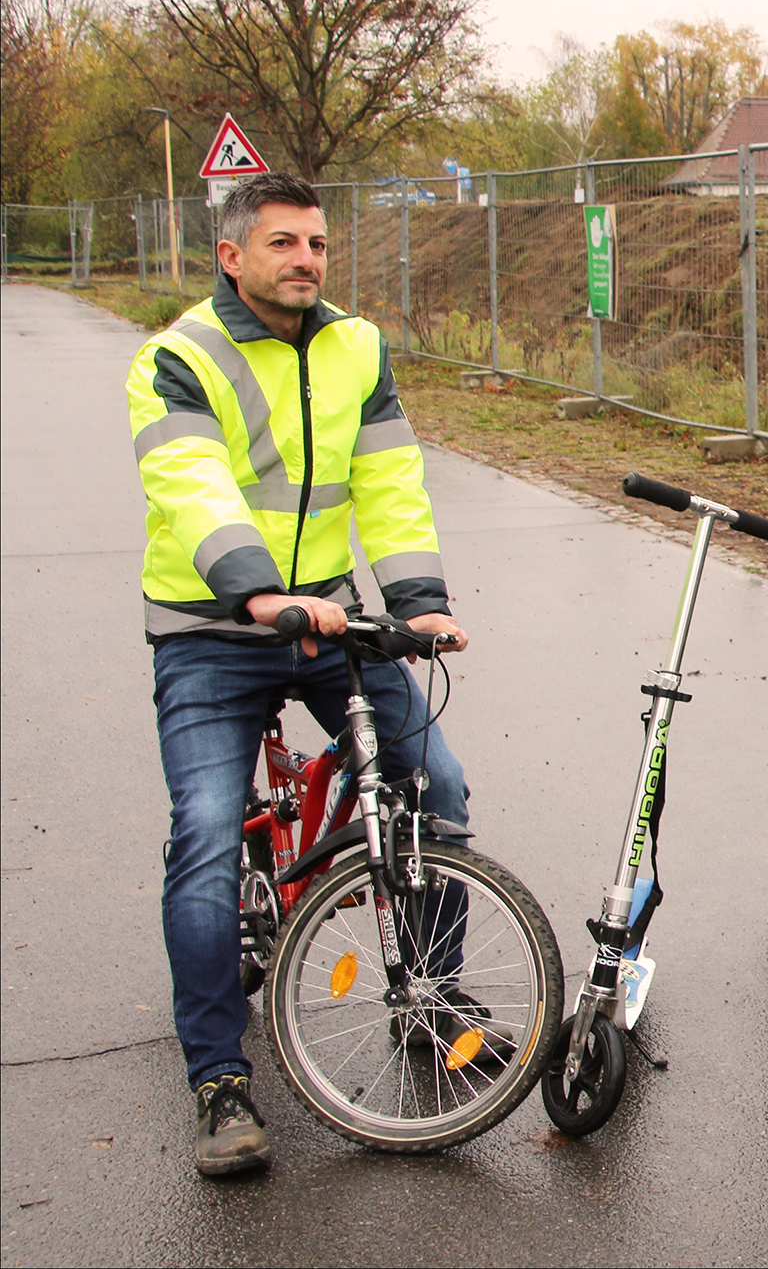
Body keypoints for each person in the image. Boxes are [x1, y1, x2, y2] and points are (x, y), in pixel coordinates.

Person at [128, 172, 471, 1177]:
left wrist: (418, 601)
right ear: (231, 255)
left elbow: (390, 479)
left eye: (317, 243)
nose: (307, 260)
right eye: (283, 242)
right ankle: (218, 1077)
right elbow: (191, 482)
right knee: (204, 835)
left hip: (325, 615)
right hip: (210, 625)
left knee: (436, 785)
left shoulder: (356, 346)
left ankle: (431, 996)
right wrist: (255, 592)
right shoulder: (178, 355)